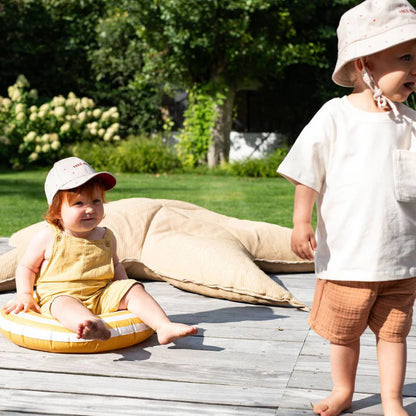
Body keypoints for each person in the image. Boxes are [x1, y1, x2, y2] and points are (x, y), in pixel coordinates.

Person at [277, 1, 416, 415]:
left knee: (394, 334)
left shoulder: (409, 122)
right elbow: (308, 172)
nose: (414, 70)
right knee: (344, 333)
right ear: (364, 63)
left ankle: (392, 399)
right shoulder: (335, 116)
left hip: (400, 260)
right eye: (405, 58)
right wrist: (302, 220)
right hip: (348, 259)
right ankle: (344, 391)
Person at [4, 157, 198, 345]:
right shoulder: (49, 236)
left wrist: (124, 288)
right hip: (61, 295)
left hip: (101, 294)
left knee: (134, 288)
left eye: (96, 201)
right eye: (79, 203)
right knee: (64, 306)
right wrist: (25, 295)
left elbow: (115, 264)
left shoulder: (106, 236)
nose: (90, 209)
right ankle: (89, 325)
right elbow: (26, 267)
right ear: (56, 211)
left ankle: (163, 326)